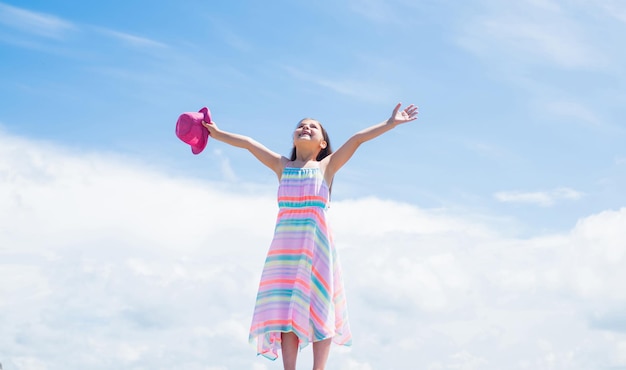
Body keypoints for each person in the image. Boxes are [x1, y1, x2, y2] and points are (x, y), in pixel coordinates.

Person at [202, 103, 418, 370]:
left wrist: (390, 123)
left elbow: (358, 139)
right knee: (286, 311)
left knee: (320, 305)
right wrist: (215, 133)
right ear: (294, 137)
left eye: (312, 126)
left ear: (322, 142)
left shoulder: (326, 166)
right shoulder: (282, 166)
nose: (305, 127)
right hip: (285, 251)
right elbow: (248, 143)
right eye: (301, 125)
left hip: (317, 247)